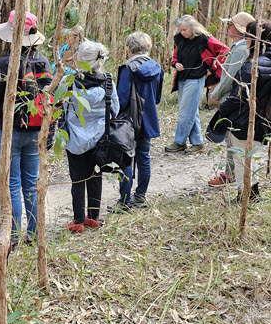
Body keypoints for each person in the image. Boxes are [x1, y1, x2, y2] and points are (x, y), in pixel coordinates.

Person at [0, 11, 48, 248]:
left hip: (7, 130)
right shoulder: (43, 62)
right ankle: (34, 233)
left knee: (11, 183)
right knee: (31, 183)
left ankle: (12, 235)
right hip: (35, 131)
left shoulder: (5, 63)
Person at [210, 20, 271, 204]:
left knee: (242, 158)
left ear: (255, 38)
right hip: (264, 118)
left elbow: (239, 97)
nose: (245, 40)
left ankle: (245, 196)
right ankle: (253, 193)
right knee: (251, 157)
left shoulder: (251, 65)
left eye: (247, 36)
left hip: (244, 119)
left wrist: (223, 109)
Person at [64, 41, 118, 233]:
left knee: (77, 180)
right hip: (101, 140)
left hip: (75, 140)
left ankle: (78, 221)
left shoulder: (70, 82)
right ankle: (93, 217)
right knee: (96, 175)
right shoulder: (108, 81)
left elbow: (63, 108)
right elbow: (115, 109)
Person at [108, 32, 164, 213]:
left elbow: (122, 99)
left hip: (128, 122)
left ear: (129, 49)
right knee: (144, 157)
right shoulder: (157, 68)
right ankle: (140, 196)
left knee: (126, 159)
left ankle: (124, 201)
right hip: (148, 119)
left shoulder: (128, 69)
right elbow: (157, 98)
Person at [165, 15, 228, 153]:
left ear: (193, 27)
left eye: (185, 29)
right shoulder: (181, 39)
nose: (182, 32)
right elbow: (175, 57)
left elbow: (224, 51)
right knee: (191, 111)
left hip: (196, 79)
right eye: (181, 30)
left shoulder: (205, 39)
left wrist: (212, 69)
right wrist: (176, 64)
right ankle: (197, 142)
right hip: (182, 78)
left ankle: (179, 141)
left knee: (184, 113)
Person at [208, 12, 255, 186]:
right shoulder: (239, 47)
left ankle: (230, 174)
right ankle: (231, 172)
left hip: (232, 97)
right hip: (233, 96)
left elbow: (230, 77)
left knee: (232, 137)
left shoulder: (241, 49)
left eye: (231, 25)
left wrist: (217, 93)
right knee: (231, 137)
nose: (228, 28)